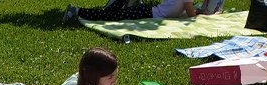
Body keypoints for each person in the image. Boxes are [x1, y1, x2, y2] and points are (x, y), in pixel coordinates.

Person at [64, 0, 199, 23]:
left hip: (146, 11)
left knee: (109, 15)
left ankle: (77, 11)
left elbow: (183, 10)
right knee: (108, 16)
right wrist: (199, 14)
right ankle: (76, 11)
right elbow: (190, 14)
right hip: (146, 13)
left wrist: (196, 11)